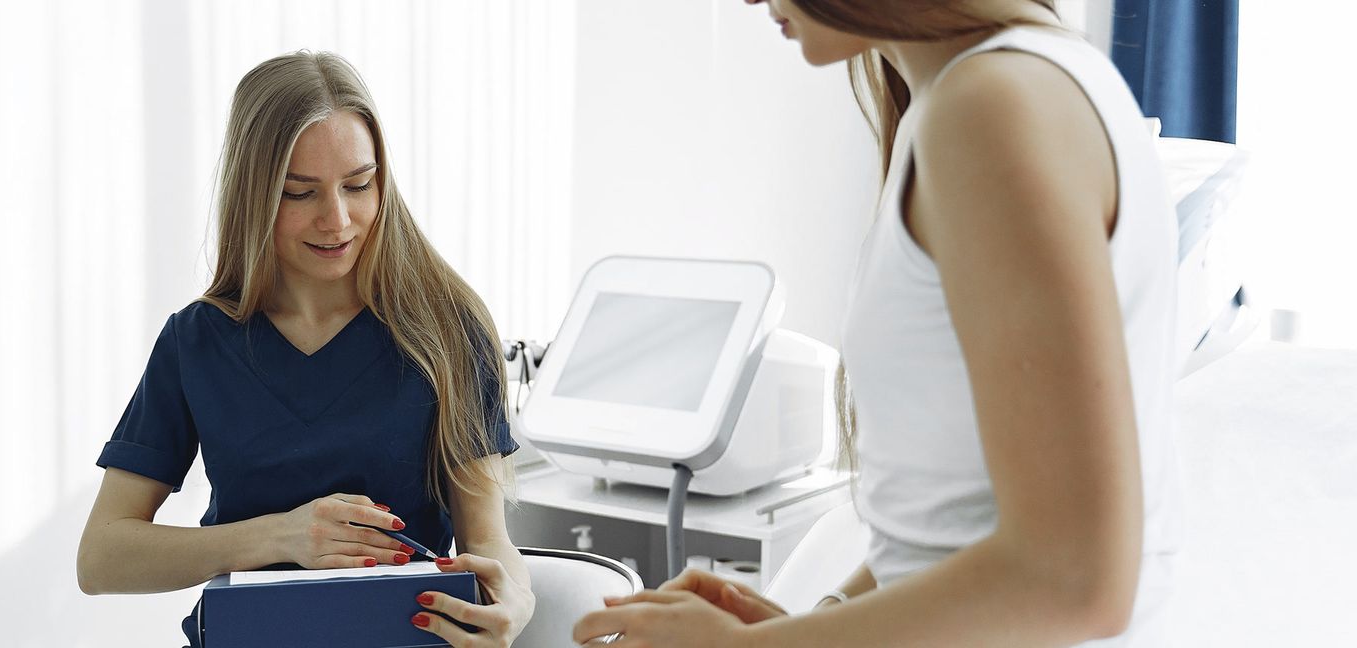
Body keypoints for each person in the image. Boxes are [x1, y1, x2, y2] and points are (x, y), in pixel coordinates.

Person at [574, 0, 1181, 645]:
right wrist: (825, 620)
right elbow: (954, 520)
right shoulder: (1005, 87)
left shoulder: (993, 107)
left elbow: (1072, 582)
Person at [76, 51, 534, 647]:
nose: (337, 219)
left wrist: (518, 598)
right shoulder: (197, 342)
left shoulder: (448, 329)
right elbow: (101, 558)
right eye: (300, 193)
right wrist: (281, 536)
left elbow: (488, 540)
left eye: (359, 185)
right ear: (254, 194)